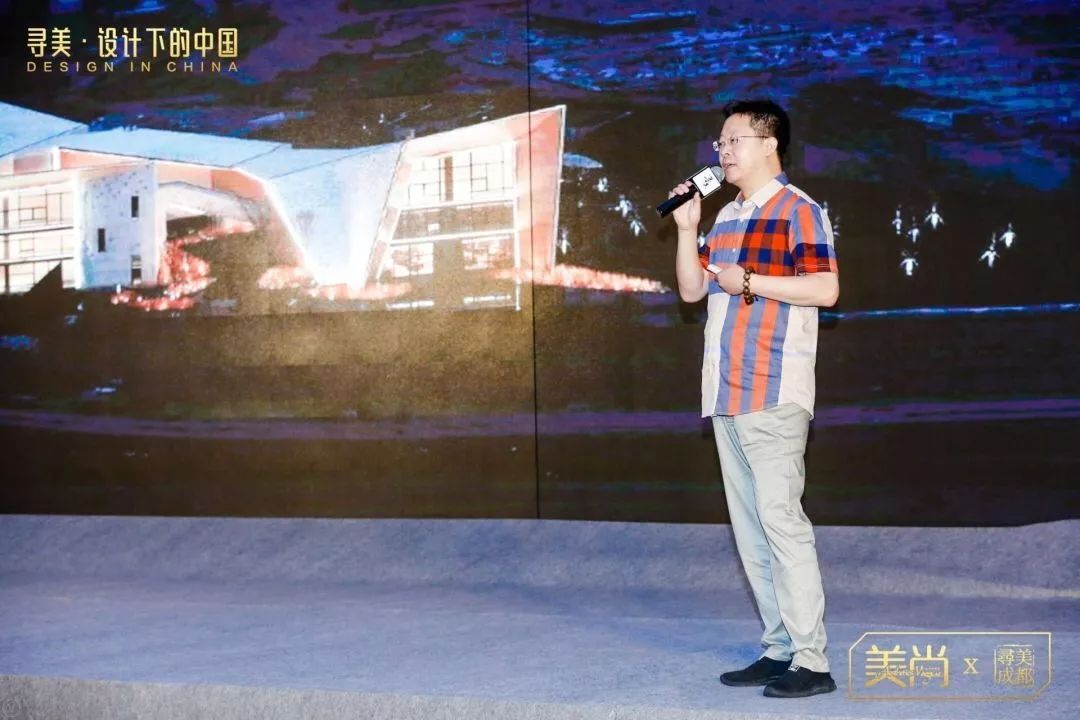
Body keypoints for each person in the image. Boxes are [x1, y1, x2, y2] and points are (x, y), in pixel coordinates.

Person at [669, 99, 840, 699]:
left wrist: (747, 280)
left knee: (781, 523)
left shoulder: (799, 211)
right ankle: (780, 648)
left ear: (770, 145)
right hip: (725, 392)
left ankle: (812, 660)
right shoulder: (725, 216)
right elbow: (692, 290)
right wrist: (687, 229)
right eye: (720, 143)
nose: (723, 151)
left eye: (734, 140)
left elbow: (826, 288)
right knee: (751, 530)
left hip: (772, 389)